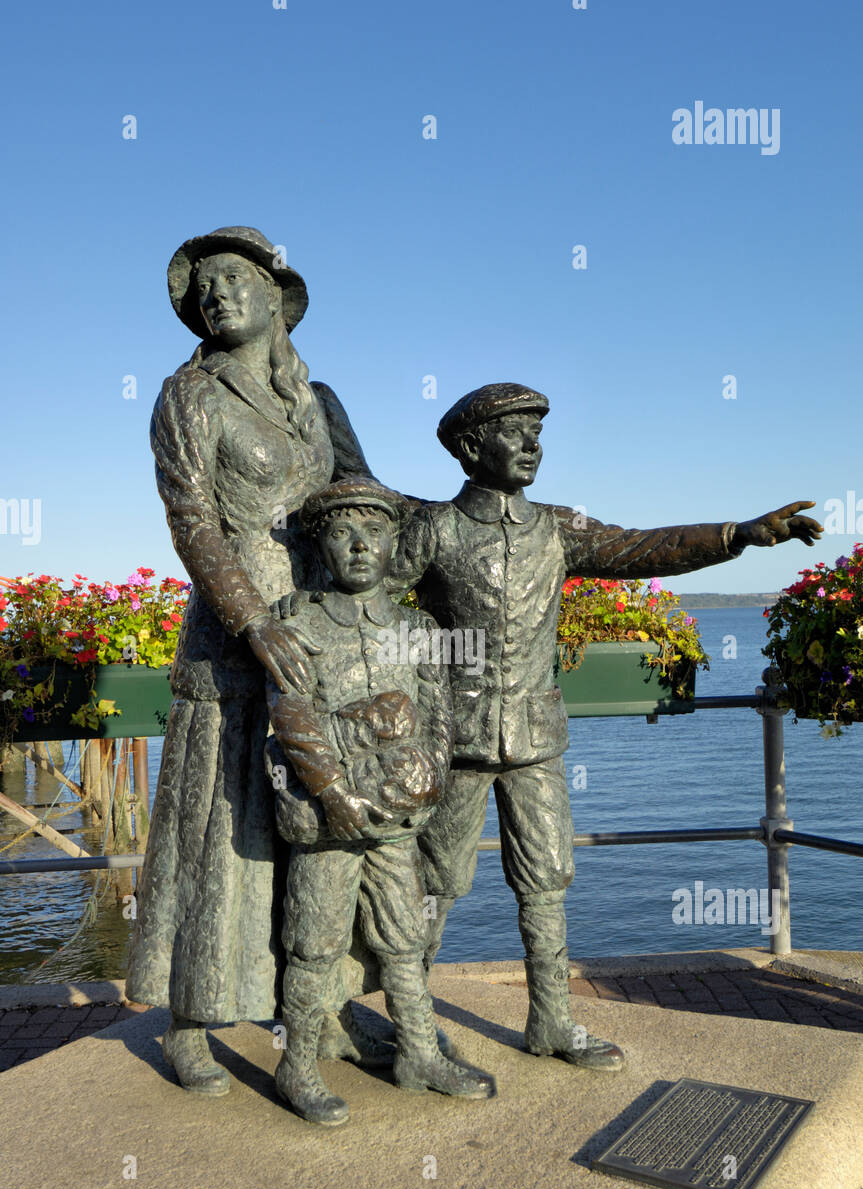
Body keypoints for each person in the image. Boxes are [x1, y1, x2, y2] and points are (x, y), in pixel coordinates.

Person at [390, 382, 823, 1070]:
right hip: (455, 741)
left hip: (534, 738)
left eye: (538, 432)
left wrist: (737, 534)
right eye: (515, 431)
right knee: (433, 881)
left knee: (546, 877)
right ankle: (407, 1025)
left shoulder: (556, 528)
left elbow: (641, 549)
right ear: (471, 447)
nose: (533, 445)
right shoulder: (434, 530)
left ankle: (552, 1023)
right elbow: (374, 611)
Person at [125, 227, 377, 1094]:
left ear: (279, 295)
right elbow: (192, 521)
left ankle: (322, 1009)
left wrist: (478, 516)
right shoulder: (186, 394)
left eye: (234, 279)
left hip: (324, 643)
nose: (217, 295)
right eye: (203, 289)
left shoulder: (321, 402)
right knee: (218, 834)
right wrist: (249, 622)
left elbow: (368, 503)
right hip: (235, 645)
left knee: (317, 836)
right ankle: (190, 1018)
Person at [265, 478, 495, 1125]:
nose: (359, 546)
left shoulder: (417, 628)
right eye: (341, 533)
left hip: (396, 822)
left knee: (403, 937)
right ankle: (298, 1063)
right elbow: (289, 715)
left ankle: (418, 1051)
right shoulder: (297, 620)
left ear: (395, 542)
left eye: (374, 532)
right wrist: (334, 790)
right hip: (327, 822)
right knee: (313, 941)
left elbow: (437, 718)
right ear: (322, 545)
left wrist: (425, 785)